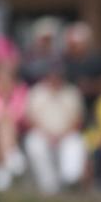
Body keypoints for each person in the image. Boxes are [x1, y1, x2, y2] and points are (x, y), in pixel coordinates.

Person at [24, 62, 86, 194]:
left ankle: (70, 182)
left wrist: (62, 135)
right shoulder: (36, 92)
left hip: (66, 134)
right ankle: (49, 187)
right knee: (33, 142)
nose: (55, 78)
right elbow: (30, 119)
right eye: (52, 75)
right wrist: (48, 135)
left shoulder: (72, 92)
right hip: (43, 134)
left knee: (75, 142)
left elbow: (78, 120)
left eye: (58, 75)